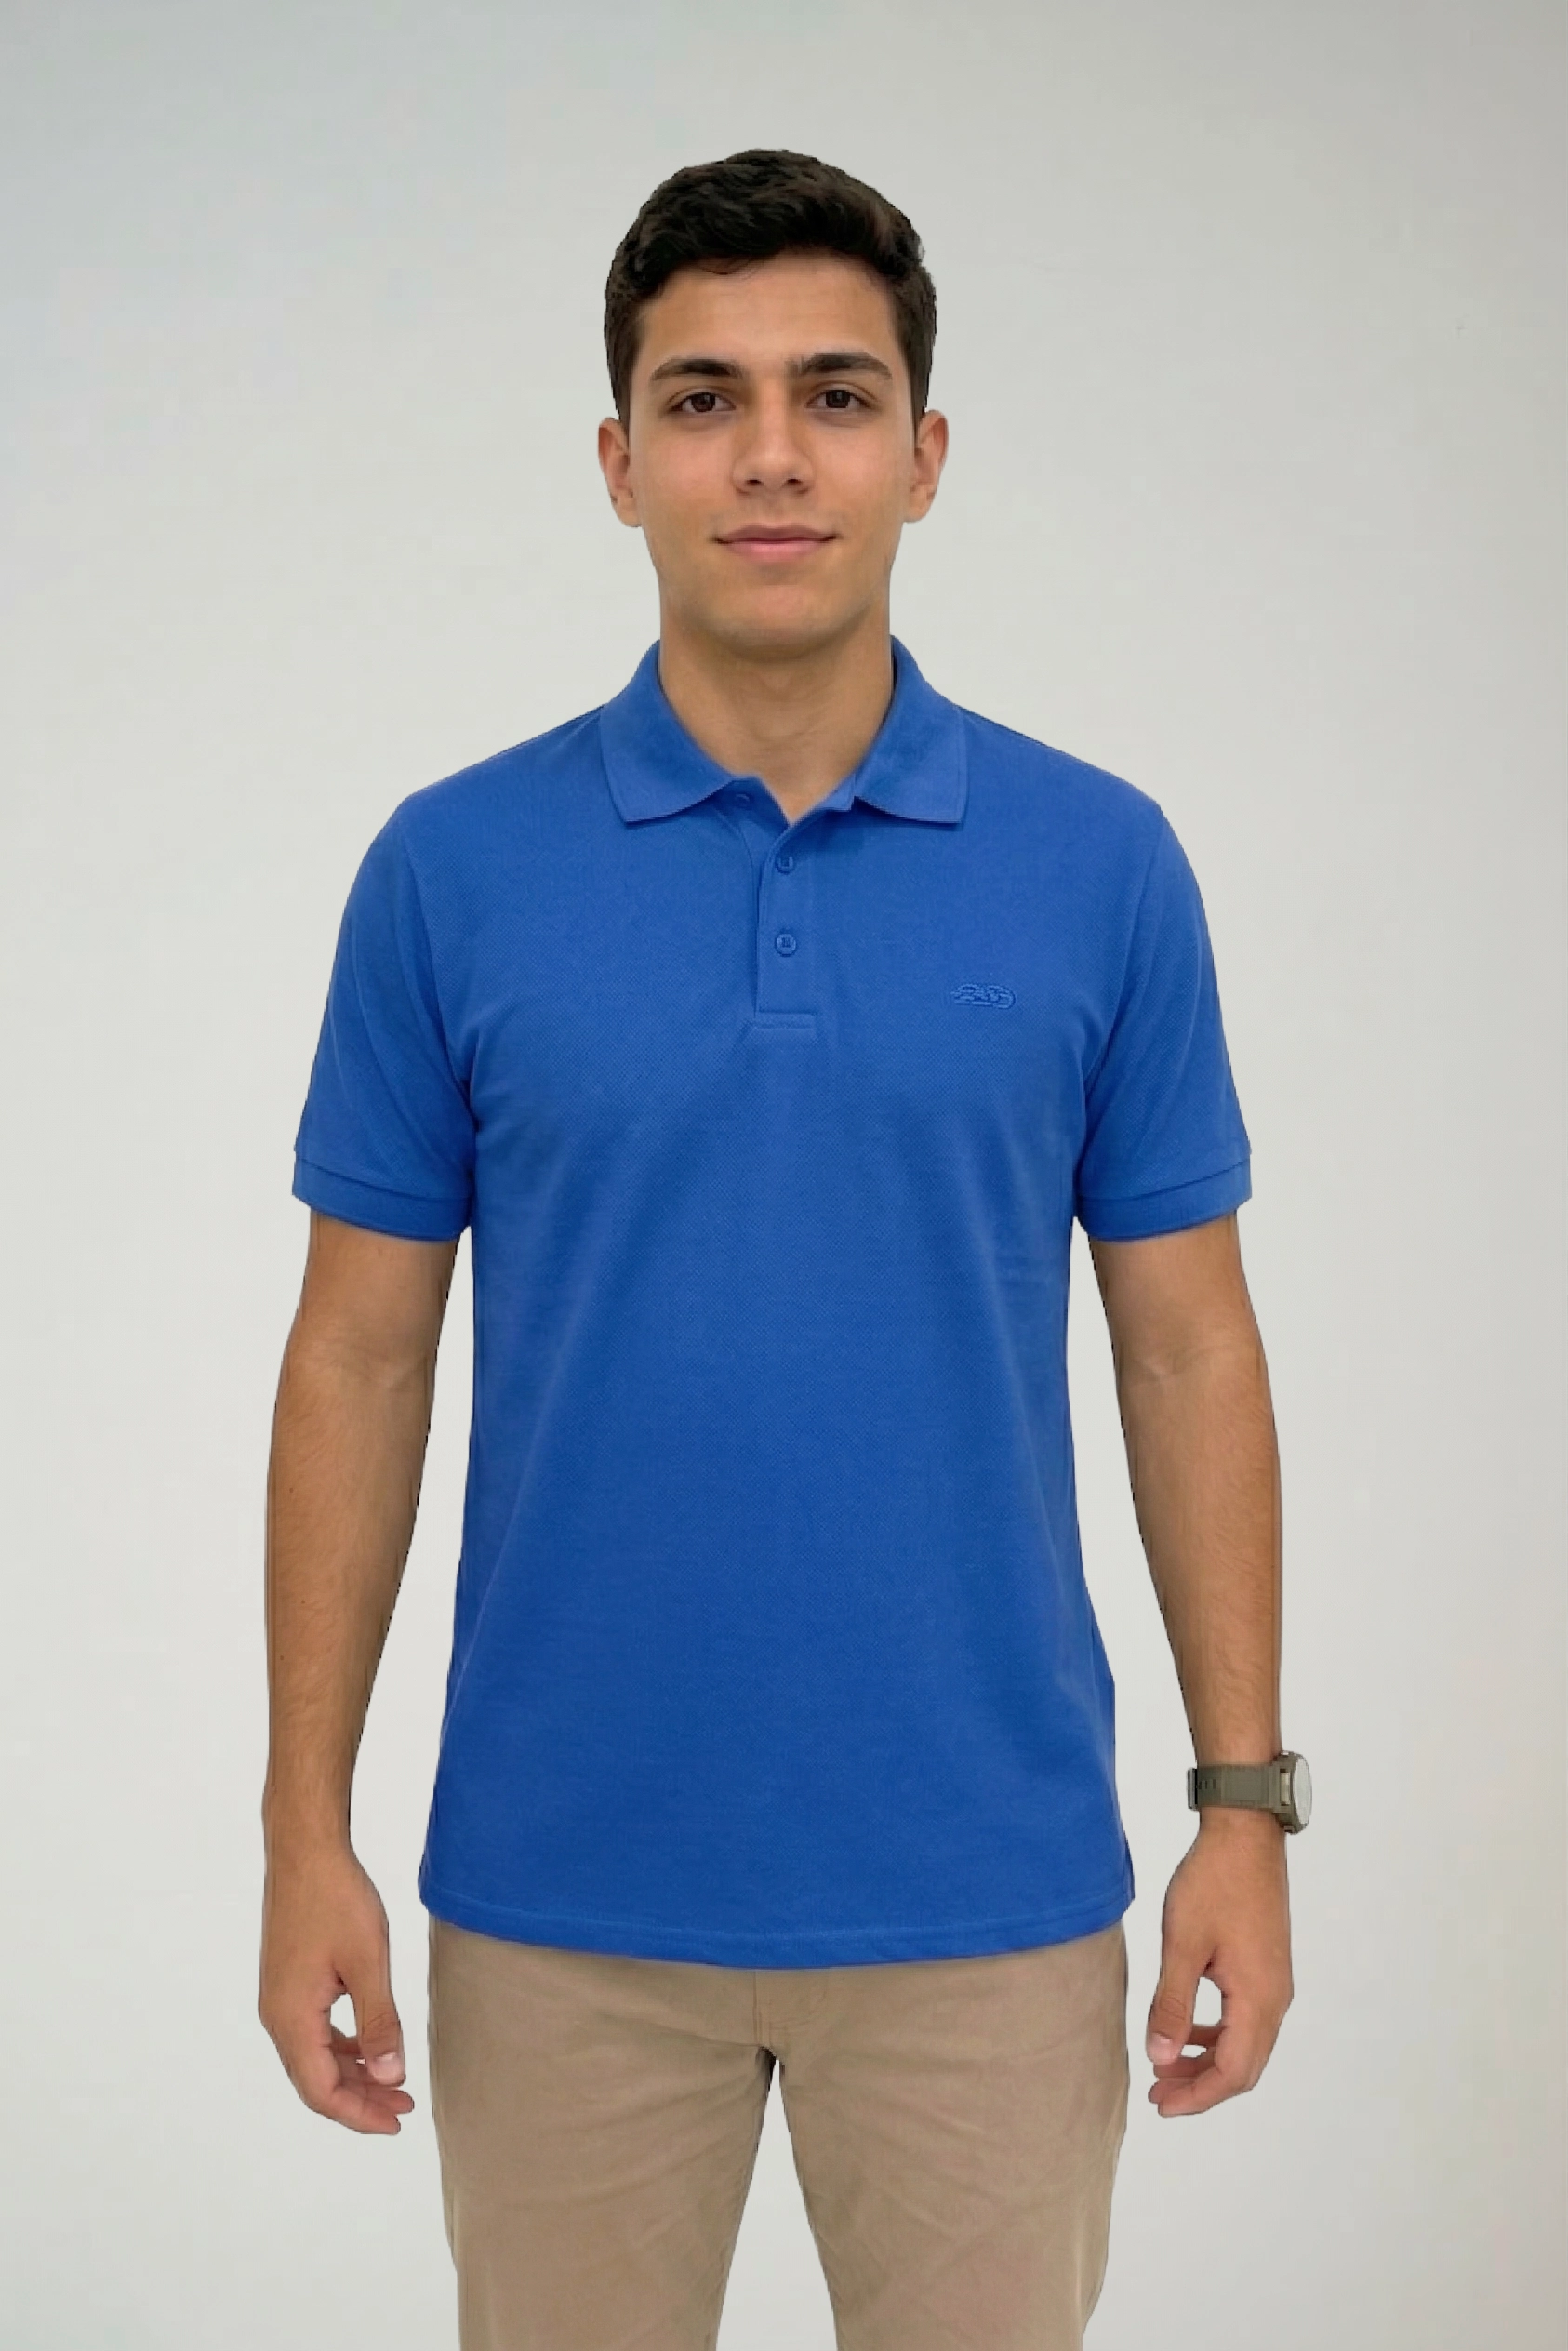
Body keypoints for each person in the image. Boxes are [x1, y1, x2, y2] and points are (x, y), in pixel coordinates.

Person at [259, 147, 1306, 2350]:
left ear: (925, 455)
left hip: (989, 1898)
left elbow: (1190, 1348)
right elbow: (358, 1356)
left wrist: (1245, 1807)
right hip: (557, 1894)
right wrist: (301, 1831)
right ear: (618, 460)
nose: (769, 454)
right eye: (704, 398)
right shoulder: (450, 870)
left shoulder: (1103, 865)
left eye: (835, 396)